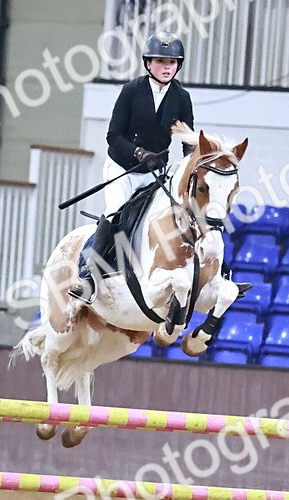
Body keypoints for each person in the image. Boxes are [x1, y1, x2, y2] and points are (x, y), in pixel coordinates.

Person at [70, 32, 195, 302]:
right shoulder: (131, 91)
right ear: (148, 64)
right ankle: (88, 275)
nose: (166, 67)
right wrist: (139, 152)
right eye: (160, 61)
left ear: (178, 66)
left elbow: (188, 140)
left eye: (172, 62)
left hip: (154, 174)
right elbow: (113, 135)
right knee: (116, 212)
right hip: (122, 168)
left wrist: (190, 167)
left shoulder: (182, 97)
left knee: (170, 218)